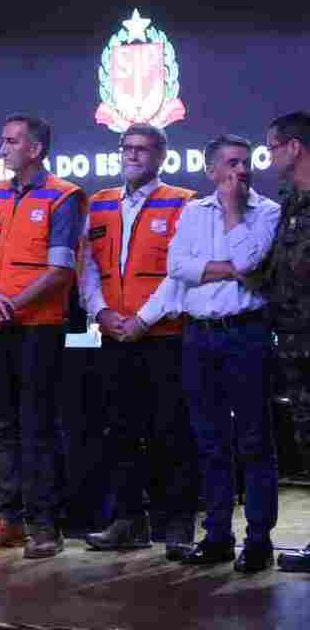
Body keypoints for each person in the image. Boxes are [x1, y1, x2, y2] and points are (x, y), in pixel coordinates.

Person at [0, 115, 85, 559]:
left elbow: (60, 270)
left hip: (38, 329)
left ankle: (43, 525)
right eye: (2, 140)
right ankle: (7, 519)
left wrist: (6, 308)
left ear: (35, 150)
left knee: (37, 428)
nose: (3, 148)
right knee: (0, 427)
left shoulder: (64, 196)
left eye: (11, 141)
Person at [78, 124, 199, 560]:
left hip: (163, 335)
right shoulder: (100, 202)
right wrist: (102, 312)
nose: (132, 155)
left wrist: (143, 320)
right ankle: (129, 520)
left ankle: (178, 521)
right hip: (114, 335)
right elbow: (88, 267)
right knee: (120, 431)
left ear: (161, 157)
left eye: (142, 150)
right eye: (126, 148)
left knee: (170, 430)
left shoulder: (184, 203)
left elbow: (180, 273)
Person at [167, 134, 280, 572]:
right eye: (231, 163)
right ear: (211, 170)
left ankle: (258, 541)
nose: (241, 171)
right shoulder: (193, 212)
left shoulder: (267, 211)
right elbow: (178, 267)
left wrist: (233, 213)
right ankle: (216, 536)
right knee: (209, 440)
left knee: (254, 441)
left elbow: (254, 266)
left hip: (246, 334)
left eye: (246, 163)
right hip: (199, 336)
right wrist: (233, 268)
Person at [254, 112, 310, 573]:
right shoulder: (289, 199)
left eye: (271, 148)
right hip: (295, 342)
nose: (268, 156)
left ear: (294, 148)